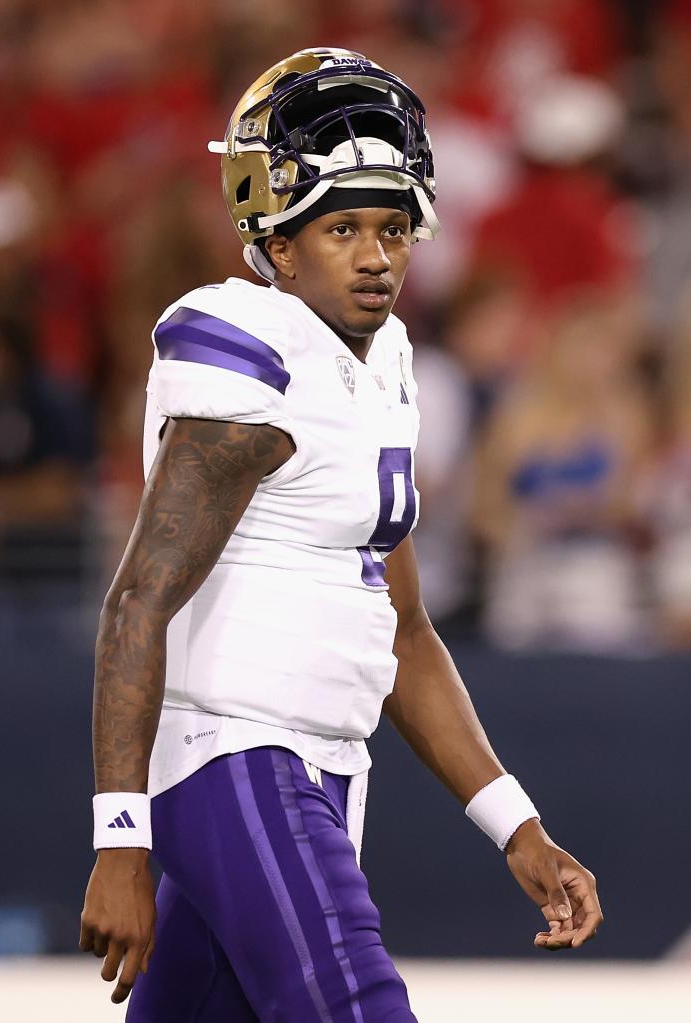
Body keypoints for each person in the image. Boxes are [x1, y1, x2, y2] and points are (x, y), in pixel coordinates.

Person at [80, 48, 603, 1021]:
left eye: (393, 226)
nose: (376, 255)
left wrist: (515, 825)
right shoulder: (248, 355)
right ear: (276, 243)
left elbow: (404, 631)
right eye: (342, 227)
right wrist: (121, 839)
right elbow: (135, 603)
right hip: (235, 754)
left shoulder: (386, 361)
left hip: (324, 765)